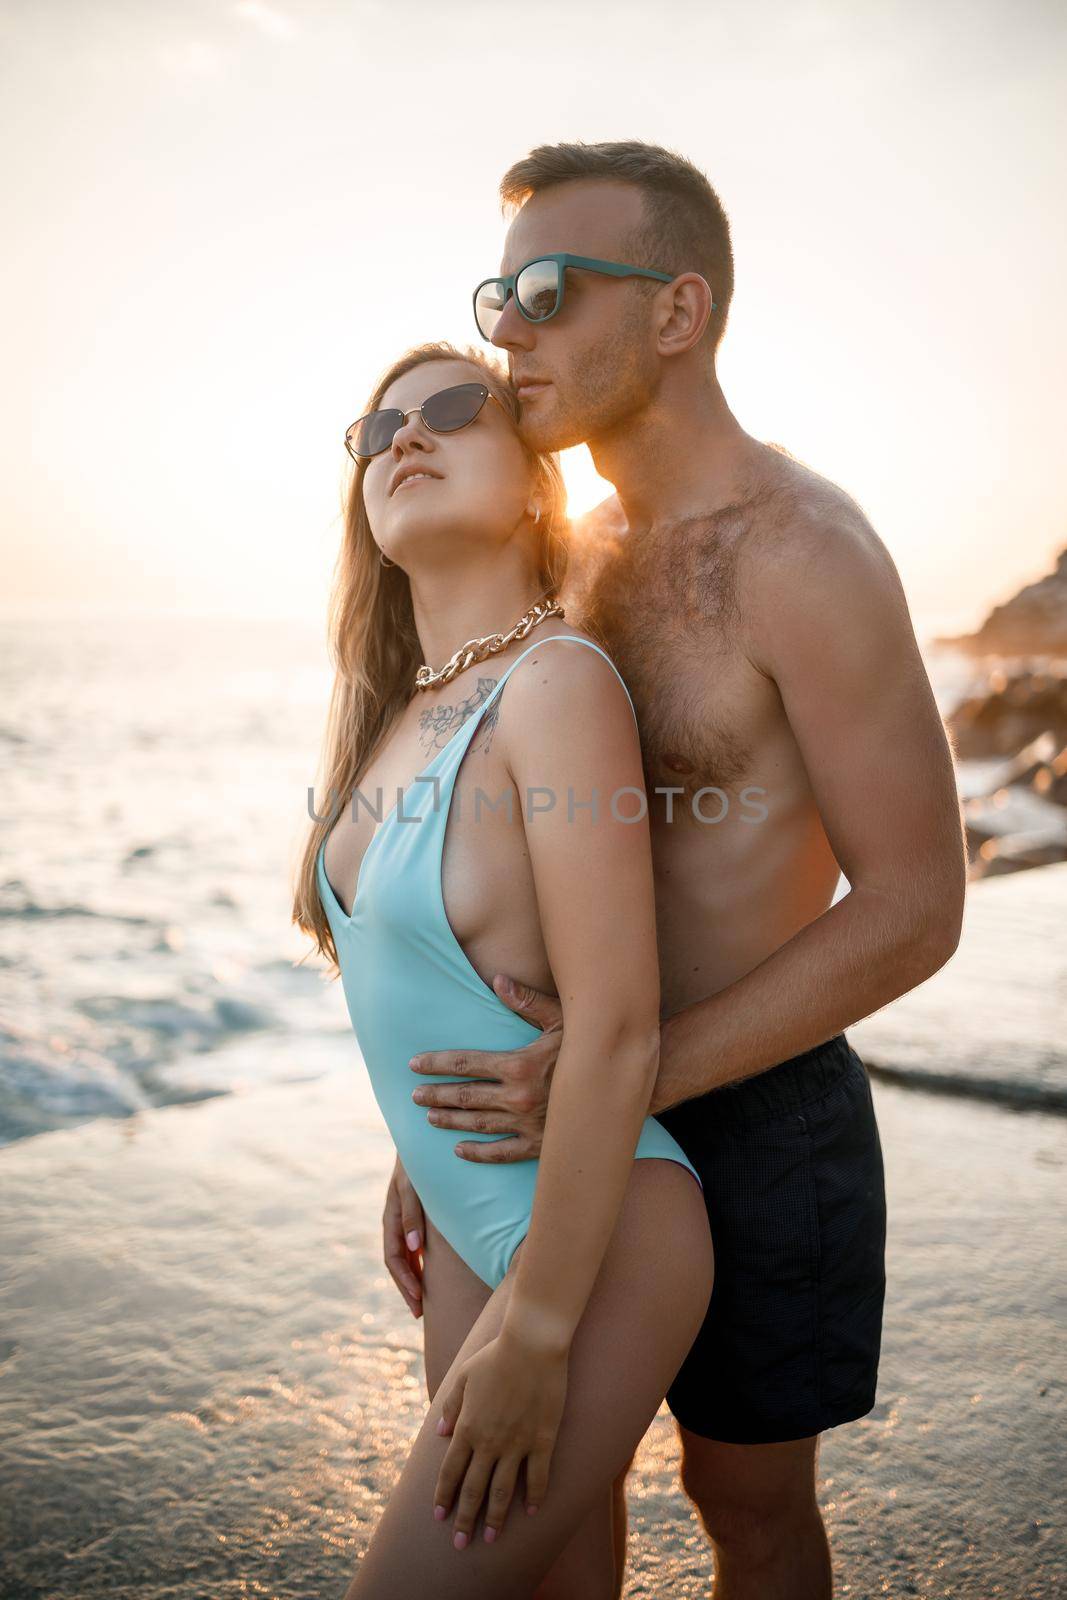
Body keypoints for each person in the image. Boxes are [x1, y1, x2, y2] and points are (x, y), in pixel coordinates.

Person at [383, 142, 968, 1599]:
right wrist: (423, 1119)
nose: (506, 327)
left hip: (757, 1110)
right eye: (496, 292)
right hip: (548, 1115)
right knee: (545, 1507)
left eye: (547, 289)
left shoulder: (801, 553)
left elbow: (914, 905)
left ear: (675, 310)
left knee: (744, 1508)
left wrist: (628, 1073)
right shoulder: (567, 559)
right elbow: (500, 866)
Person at [295, 339, 714, 1597]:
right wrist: (413, 1144)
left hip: (592, 1232)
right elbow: (439, 969)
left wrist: (537, 1323)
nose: (404, 437)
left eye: (452, 410)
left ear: (536, 489)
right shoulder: (390, 716)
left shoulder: (556, 684)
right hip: (467, 1220)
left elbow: (619, 1025)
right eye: (377, 431)